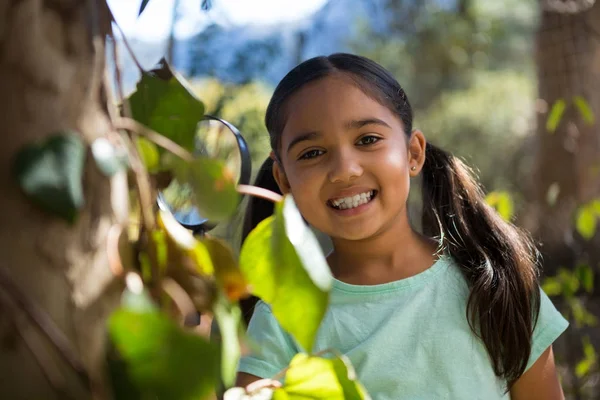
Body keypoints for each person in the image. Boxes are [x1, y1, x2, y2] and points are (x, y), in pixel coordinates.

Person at [235, 53, 568, 399]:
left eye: (367, 139)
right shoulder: (281, 318)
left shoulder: (496, 284)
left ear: (413, 153)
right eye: (312, 153)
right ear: (284, 180)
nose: (345, 170)